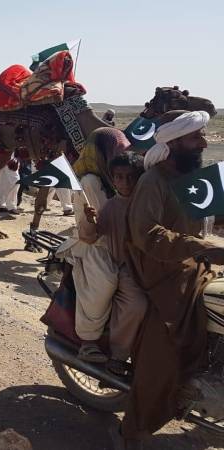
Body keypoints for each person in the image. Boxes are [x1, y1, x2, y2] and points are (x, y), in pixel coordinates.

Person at [119, 110, 221, 447]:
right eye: (196, 137)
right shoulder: (154, 181)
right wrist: (202, 247)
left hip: (192, 262)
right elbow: (147, 235)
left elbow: (218, 216)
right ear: (175, 142)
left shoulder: (192, 174)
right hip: (161, 269)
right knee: (165, 348)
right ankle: (135, 429)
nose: (204, 142)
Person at [58, 127, 130, 364]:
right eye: (114, 150)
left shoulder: (121, 177)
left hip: (121, 241)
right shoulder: (90, 181)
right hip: (96, 244)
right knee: (106, 280)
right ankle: (88, 342)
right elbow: (96, 229)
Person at [80, 152, 148, 377]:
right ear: (112, 179)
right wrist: (89, 221)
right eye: (119, 177)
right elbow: (90, 237)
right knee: (136, 304)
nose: (125, 182)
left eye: (131, 177)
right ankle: (118, 356)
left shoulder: (150, 202)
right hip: (128, 268)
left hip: (155, 267)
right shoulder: (110, 207)